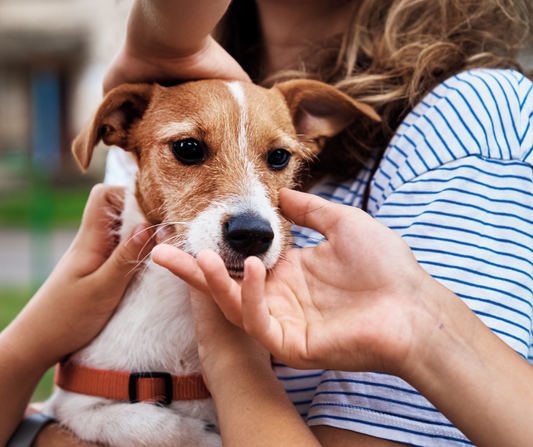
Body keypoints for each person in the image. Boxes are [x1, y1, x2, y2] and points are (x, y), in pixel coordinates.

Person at [4, 0, 533, 446]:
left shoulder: (472, 125)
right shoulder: (165, 105)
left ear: (308, 132)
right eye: (191, 149)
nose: (250, 209)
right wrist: (37, 338)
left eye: (279, 159)